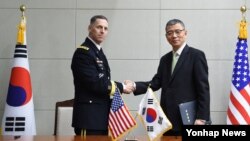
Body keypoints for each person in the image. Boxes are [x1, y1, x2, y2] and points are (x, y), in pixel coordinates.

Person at [126, 19, 211, 136]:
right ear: (166, 37)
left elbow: (203, 89)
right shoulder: (165, 59)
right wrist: (134, 86)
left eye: (178, 31)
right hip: (167, 121)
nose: (174, 35)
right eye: (170, 33)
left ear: (185, 33)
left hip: (190, 119)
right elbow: (156, 83)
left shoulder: (196, 56)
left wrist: (201, 118)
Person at [71, 15, 133, 136]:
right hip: (88, 119)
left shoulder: (97, 52)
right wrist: (122, 87)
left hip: (100, 117)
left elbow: (103, 81)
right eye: (99, 27)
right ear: (90, 28)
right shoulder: (83, 52)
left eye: (105, 28)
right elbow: (96, 83)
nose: (102, 31)